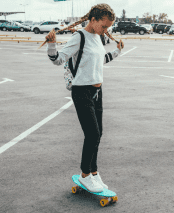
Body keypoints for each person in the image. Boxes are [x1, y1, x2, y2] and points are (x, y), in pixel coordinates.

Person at [45, 4, 124, 193]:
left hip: (98, 91)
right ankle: (85, 175)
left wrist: (117, 51)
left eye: (108, 27)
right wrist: (51, 45)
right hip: (82, 92)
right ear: (94, 20)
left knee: (98, 134)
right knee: (92, 134)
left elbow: (100, 60)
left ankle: (94, 173)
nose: (106, 30)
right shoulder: (79, 37)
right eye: (104, 26)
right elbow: (58, 60)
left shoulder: (98, 37)